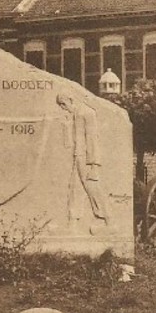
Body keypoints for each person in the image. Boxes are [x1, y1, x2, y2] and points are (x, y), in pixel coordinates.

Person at [56, 93, 112, 233]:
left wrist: (94, 164)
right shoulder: (73, 115)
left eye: (64, 104)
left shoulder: (87, 113)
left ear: (71, 100)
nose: (63, 108)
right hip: (78, 156)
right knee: (75, 188)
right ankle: (72, 222)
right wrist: (66, 126)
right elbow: (69, 142)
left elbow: (92, 138)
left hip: (87, 160)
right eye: (60, 105)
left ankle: (109, 221)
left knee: (93, 189)